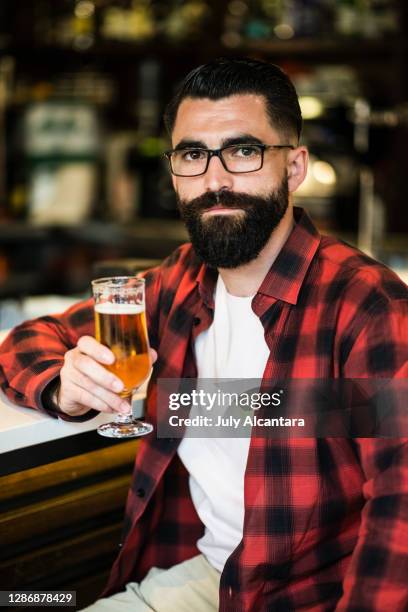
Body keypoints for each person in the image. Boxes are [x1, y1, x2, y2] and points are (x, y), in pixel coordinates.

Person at [0, 58, 407, 611]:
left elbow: (400, 515)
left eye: (243, 151)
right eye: (193, 154)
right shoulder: (180, 280)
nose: (215, 181)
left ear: (294, 167)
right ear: (173, 171)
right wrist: (60, 385)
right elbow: (28, 339)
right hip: (209, 578)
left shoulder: (365, 305)